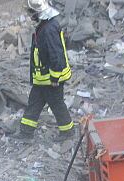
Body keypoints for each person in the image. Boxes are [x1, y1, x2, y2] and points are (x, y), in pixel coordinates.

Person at [17, 0, 75, 139]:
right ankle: (26, 133)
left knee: (56, 104)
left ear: (39, 13)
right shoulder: (46, 25)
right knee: (34, 103)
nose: (31, 16)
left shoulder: (48, 29)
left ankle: (68, 131)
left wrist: (55, 78)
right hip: (43, 78)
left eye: (32, 13)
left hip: (51, 78)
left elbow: (56, 54)